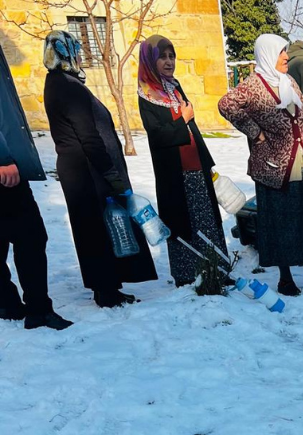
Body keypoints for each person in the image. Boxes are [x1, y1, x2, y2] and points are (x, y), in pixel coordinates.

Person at [219, 34, 303, 296]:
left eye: (285, 51)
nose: (286, 57)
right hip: (273, 166)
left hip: (300, 162)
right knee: (280, 223)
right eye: (281, 53)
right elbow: (226, 104)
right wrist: (255, 132)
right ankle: (285, 279)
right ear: (267, 55)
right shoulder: (254, 85)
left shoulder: (289, 83)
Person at [42, 31, 157, 308]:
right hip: (87, 172)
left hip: (79, 170)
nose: (81, 57)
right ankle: (106, 291)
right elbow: (89, 136)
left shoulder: (58, 82)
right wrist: (111, 174)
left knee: (93, 230)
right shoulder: (68, 86)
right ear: (66, 53)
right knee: (98, 230)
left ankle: (106, 287)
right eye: (76, 51)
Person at [137, 35, 229, 287]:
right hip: (175, 172)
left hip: (196, 166)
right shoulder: (146, 94)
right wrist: (183, 119)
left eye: (172, 56)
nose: (169, 62)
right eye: (162, 57)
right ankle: (188, 276)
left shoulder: (174, 86)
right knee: (183, 222)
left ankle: (217, 271)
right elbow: (157, 135)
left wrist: (206, 162)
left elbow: (192, 127)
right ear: (150, 60)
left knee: (206, 220)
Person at [0, 44, 72, 330]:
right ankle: (38, 310)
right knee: (31, 236)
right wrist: (3, 158)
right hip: (5, 167)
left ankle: (6, 303)